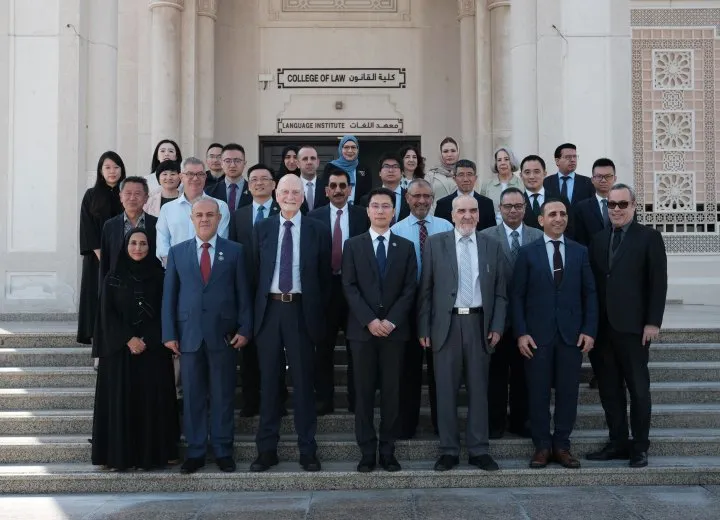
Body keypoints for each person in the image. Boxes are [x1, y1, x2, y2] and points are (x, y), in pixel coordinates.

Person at [161, 197, 252, 474]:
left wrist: (245, 329)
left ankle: (223, 450)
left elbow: (243, 294)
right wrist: (169, 333)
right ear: (191, 219)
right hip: (189, 336)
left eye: (210, 215)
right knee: (193, 396)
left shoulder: (235, 251)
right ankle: (196, 451)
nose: (204, 219)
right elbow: (169, 296)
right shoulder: (177, 252)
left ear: (219, 218)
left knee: (223, 395)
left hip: (224, 336)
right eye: (199, 215)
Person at [418, 195, 506, 472]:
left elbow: (501, 292)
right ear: (452, 215)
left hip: (479, 325)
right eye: (461, 211)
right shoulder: (435, 244)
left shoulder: (492, 245)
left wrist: (497, 326)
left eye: (472, 210)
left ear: (479, 214)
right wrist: (424, 327)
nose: (467, 215)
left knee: (479, 390)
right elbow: (426, 290)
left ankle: (479, 449)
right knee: (445, 391)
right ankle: (448, 450)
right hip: (445, 326)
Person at [251, 174, 331, 473]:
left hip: (301, 311)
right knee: (269, 383)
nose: (290, 196)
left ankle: (307, 450)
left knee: (304, 383)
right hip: (269, 312)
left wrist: (318, 316)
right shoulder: (262, 228)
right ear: (276, 194)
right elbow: (253, 274)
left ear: (303, 196)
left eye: (295, 192)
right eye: (285, 191)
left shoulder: (317, 230)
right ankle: (266, 450)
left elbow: (324, 277)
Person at [511, 198, 597, 469]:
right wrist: (521, 333)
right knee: (537, 393)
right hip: (537, 337)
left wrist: (589, 330)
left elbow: (590, 294)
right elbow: (517, 296)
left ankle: (561, 445)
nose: (558, 218)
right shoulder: (527, 253)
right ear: (541, 220)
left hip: (571, 336)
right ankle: (541, 446)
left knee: (568, 393)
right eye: (552, 214)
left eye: (562, 214)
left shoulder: (580, 251)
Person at [587, 184, 667, 469]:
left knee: (638, 390)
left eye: (623, 204)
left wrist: (652, 322)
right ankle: (618, 442)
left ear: (634, 206)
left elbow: (658, 282)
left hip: (634, 328)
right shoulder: (598, 239)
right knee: (609, 390)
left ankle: (640, 446)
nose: (617, 210)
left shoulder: (649, 237)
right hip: (602, 330)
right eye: (612, 205)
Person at [342, 187, 417, 473]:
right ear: (368, 210)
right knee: (363, 395)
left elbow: (410, 289)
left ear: (394, 211)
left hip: (394, 333)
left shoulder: (406, 247)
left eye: (386, 206)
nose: (381, 211)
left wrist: (391, 321)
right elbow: (349, 286)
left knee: (391, 394)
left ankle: (388, 451)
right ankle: (366, 452)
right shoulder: (353, 245)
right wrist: (370, 320)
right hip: (362, 332)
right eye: (375, 206)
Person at [92, 228, 179, 470]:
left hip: (152, 353)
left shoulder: (160, 276)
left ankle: (152, 455)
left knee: (152, 404)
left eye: (143, 244)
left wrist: (147, 339)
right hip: (120, 354)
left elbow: (166, 311)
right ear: (125, 246)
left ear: (150, 248)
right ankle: (120, 456)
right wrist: (128, 339)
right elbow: (106, 315)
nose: (138, 248)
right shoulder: (112, 277)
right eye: (133, 243)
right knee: (122, 404)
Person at [391, 178, 453, 439]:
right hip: (407, 308)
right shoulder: (396, 230)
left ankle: (442, 425)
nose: (422, 201)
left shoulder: (446, 226)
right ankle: (407, 425)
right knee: (408, 370)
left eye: (427, 196)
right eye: (416, 196)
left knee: (440, 370)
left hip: (439, 308)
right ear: (407, 198)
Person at [479, 187, 543, 439]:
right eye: (508, 206)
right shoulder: (485, 236)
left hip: (528, 320)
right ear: (500, 209)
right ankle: (495, 423)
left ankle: (520, 420)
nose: (513, 210)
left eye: (518, 206)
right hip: (497, 319)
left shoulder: (538, 236)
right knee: (495, 374)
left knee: (524, 374)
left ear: (525, 208)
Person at [307, 168, 370, 416]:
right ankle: (324, 400)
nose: (338, 190)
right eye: (333, 186)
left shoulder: (362, 215)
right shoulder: (314, 217)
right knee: (323, 349)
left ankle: (357, 401)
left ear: (350, 189)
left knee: (357, 350)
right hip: (326, 291)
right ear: (326, 190)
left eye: (343, 186)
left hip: (355, 290)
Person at [227, 164, 287, 417]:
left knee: (276, 350)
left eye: (265, 179)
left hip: (275, 291)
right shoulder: (238, 215)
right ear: (248, 185)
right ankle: (251, 400)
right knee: (249, 349)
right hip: (247, 290)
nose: (259, 183)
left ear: (274, 185)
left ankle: (278, 400)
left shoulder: (283, 211)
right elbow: (232, 251)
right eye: (254, 179)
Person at [77, 151, 126, 345]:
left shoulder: (127, 194)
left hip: (125, 256)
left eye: (116, 167)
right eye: (107, 167)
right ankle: (96, 337)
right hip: (96, 258)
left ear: (122, 169)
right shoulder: (91, 195)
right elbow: (87, 228)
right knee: (96, 295)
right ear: (100, 171)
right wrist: (103, 256)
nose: (112, 171)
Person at [156, 157, 230, 265]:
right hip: (176, 269)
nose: (195, 178)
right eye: (190, 174)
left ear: (205, 177)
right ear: (181, 177)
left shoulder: (220, 206)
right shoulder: (167, 209)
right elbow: (162, 245)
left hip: (210, 268)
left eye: (200, 174)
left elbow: (221, 241)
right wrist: (177, 267)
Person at [99, 176, 157, 288]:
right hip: (117, 288)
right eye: (128, 193)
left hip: (148, 287)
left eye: (137, 194)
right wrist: (103, 293)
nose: (132, 198)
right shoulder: (110, 226)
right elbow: (105, 263)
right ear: (121, 196)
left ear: (146, 198)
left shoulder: (156, 224)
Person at [434, 159, 496, 231]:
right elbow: (439, 233)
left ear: (475, 178)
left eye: (469, 174)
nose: (465, 179)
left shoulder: (487, 204)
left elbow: (491, 232)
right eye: (461, 175)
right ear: (454, 178)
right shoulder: (442, 205)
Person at [317, 135, 373, 207]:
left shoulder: (364, 168)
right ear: (341, 149)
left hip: (358, 210)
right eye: (346, 147)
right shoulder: (331, 167)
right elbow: (325, 190)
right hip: (335, 209)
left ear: (357, 149)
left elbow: (367, 193)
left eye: (353, 147)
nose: (350, 150)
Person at [573, 158, 617, 246]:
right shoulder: (581, 208)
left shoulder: (625, 204)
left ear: (615, 178)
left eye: (608, 176)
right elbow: (579, 239)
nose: (603, 180)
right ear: (592, 180)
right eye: (599, 176)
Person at [357, 153, 410, 224]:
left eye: (395, 166)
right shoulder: (366, 199)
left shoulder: (410, 197)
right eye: (386, 166)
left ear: (402, 173)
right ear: (379, 173)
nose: (390, 170)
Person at [480, 147, 525, 223]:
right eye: (499, 160)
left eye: (506, 159)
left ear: (511, 162)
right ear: (496, 163)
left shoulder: (522, 184)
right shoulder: (487, 184)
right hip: (492, 227)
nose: (502, 163)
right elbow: (482, 209)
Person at [205, 143, 253, 211]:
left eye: (237, 161)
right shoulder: (209, 192)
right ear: (222, 164)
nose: (232, 165)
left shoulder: (254, 191)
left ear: (244, 164)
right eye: (228, 161)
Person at [425, 137, 459, 205]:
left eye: (453, 151)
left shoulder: (464, 173)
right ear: (440, 153)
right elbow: (426, 199)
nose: (449, 154)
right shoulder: (431, 175)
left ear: (458, 152)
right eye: (445, 151)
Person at [519, 155, 547, 230]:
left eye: (536, 172)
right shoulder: (516, 204)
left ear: (545, 174)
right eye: (527, 172)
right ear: (521, 175)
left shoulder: (559, 199)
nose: (532, 176)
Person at [297, 145, 324, 214]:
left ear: (318, 162)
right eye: (305, 159)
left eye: (313, 158)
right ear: (298, 164)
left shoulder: (326, 186)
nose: (309, 162)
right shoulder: (291, 186)